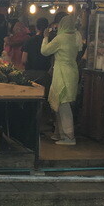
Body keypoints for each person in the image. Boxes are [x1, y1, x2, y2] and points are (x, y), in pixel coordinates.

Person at [41, 15, 82, 145]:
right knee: (61, 103)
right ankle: (59, 134)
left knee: (63, 104)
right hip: (72, 71)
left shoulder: (60, 38)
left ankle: (69, 137)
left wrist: (46, 37)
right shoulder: (76, 37)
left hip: (62, 72)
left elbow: (44, 51)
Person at [22, 17, 52, 86]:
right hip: (45, 75)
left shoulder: (29, 41)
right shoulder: (50, 41)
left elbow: (24, 60)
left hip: (29, 74)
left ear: (36, 27)